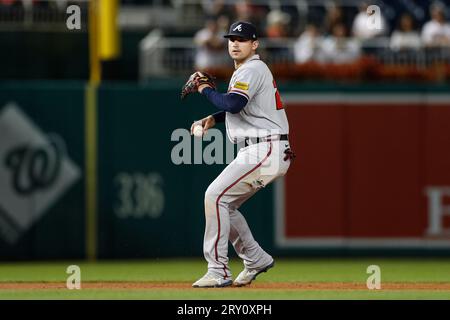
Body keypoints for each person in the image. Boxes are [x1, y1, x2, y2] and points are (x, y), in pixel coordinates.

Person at [189, 21, 294, 288]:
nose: (235, 43)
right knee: (226, 204)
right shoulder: (249, 70)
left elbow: (235, 104)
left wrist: (205, 89)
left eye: (242, 39)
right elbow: (244, 109)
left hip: (265, 147)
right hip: (265, 148)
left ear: (254, 44)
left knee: (214, 196)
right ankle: (255, 258)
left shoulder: (252, 68)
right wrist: (213, 119)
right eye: (232, 39)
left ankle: (218, 270)